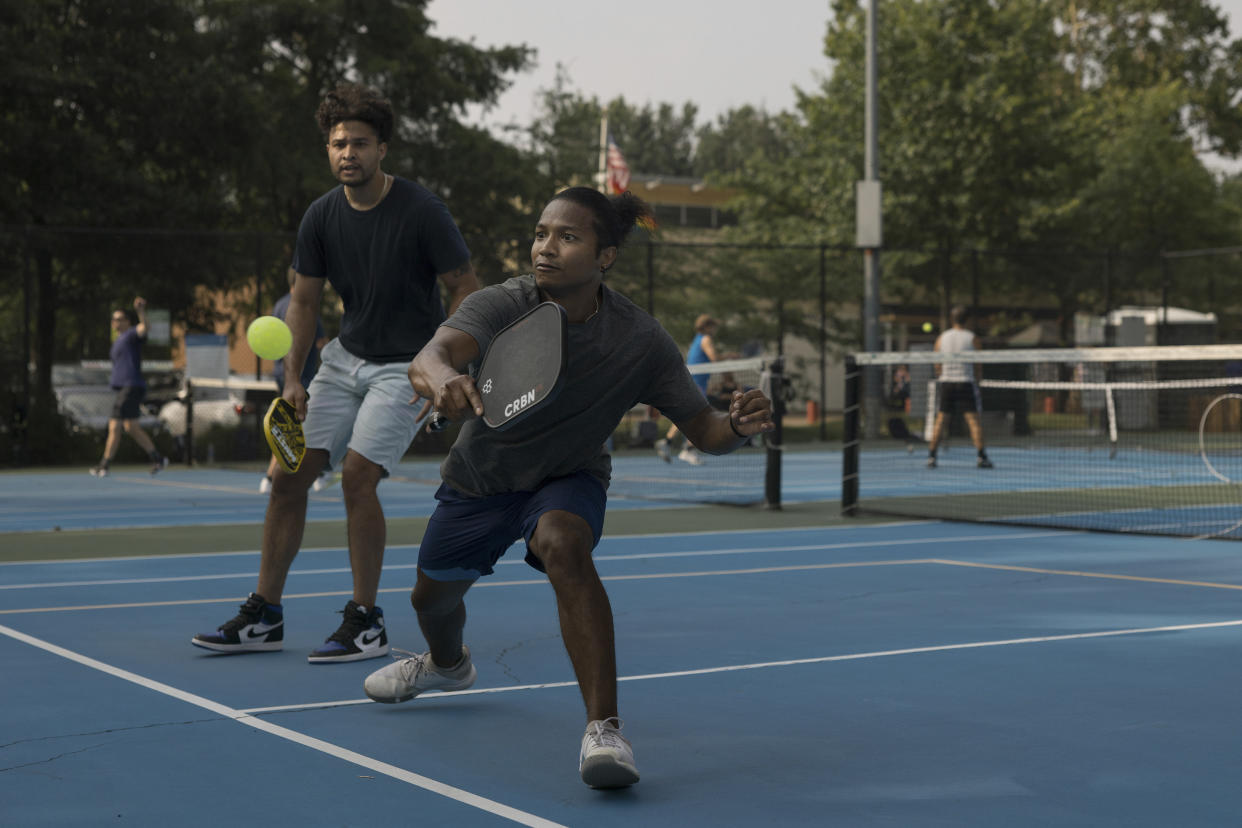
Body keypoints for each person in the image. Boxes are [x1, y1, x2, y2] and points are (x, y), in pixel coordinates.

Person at [360, 187, 776, 789]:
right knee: (432, 600)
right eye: (540, 233)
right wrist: (443, 375)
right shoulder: (503, 302)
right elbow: (431, 354)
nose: (545, 248)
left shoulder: (640, 340)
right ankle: (448, 666)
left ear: (605, 256)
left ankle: (603, 731)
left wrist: (737, 426)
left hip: (568, 478)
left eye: (566, 237)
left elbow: (706, 430)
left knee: (564, 544)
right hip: (481, 481)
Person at [192, 81, 480, 663]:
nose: (348, 153)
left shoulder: (423, 211)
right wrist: (293, 376)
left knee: (356, 478)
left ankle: (365, 622)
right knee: (286, 476)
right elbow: (302, 302)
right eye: (338, 143)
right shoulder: (321, 217)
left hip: (406, 366)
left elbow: (465, 287)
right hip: (344, 361)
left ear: (382, 150)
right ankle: (265, 614)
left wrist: (443, 362)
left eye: (360, 143)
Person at [260, 268, 330, 494]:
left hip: (282, 373)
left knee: (290, 424)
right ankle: (281, 476)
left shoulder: (278, 305)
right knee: (303, 423)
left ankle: (272, 478)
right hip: (301, 376)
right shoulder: (305, 306)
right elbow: (319, 342)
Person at [90, 297, 168, 477]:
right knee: (130, 427)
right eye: (114, 319)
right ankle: (157, 458)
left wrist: (141, 311)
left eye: (119, 319)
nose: (115, 322)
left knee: (114, 425)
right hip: (125, 388)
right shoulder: (117, 341)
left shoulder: (132, 335)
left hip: (130, 386)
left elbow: (145, 328)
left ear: (127, 322)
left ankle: (104, 465)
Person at [927, 305, 992, 469]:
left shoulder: (942, 338)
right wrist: (978, 381)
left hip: (947, 383)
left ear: (951, 319)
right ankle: (981, 456)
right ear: (967, 320)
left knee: (941, 420)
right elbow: (978, 364)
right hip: (965, 383)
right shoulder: (972, 338)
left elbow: (936, 363)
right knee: (973, 421)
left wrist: (942, 374)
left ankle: (932, 457)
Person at [654, 314, 720, 466]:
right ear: (708, 326)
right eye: (714, 326)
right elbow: (714, 359)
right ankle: (687, 449)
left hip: (695, 381)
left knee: (690, 416)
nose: (715, 330)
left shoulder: (697, 340)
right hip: (695, 382)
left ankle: (668, 442)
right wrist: (730, 357)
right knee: (700, 417)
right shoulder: (706, 339)